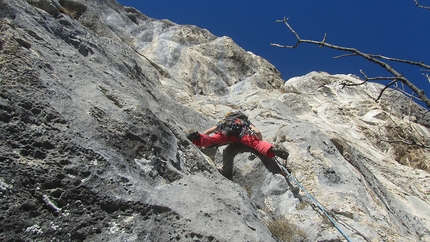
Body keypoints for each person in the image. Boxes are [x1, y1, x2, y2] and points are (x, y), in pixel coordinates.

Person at [186, 111, 289, 160]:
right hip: (242, 133)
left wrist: (201, 137)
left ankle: (197, 137)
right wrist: (259, 140)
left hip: (226, 132)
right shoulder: (244, 122)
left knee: (213, 141)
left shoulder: (226, 121)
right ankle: (271, 150)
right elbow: (257, 132)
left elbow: (209, 131)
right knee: (257, 144)